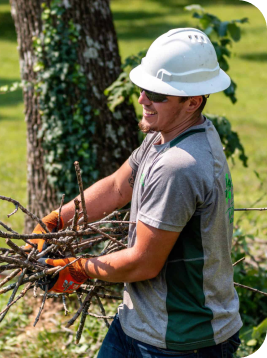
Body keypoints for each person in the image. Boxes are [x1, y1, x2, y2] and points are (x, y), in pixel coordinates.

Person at [25, 28, 242, 357]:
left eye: (157, 93)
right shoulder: (165, 136)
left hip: (180, 340)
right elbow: (115, 187)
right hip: (140, 323)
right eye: (143, 88)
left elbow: (143, 263)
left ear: (192, 102)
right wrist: (56, 220)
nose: (142, 99)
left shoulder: (179, 166)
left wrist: (74, 269)